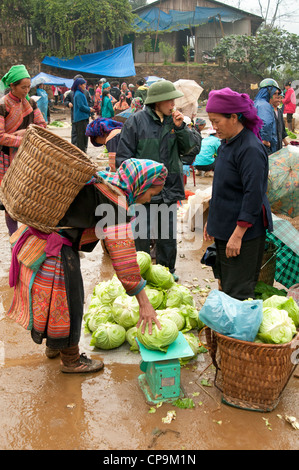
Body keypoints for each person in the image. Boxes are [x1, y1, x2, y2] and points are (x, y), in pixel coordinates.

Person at [8, 158, 168, 373]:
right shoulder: (115, 199)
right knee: (68, 304)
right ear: (141, 184)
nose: (148, 200)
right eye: (151, 194)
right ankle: (72, 361)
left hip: (40, 241)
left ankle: (55, 346)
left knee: (53, 303)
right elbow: (124, 259)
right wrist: (144, 302)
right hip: (54, 250)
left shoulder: (107, 181)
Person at [116, 80, 197, 281]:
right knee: (140, 236)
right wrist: (137, 185)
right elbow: (123, 159)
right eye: (169, 100)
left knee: (167, 236)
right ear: (157, 102)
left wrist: (181, 129)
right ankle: (140, 275)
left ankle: (167, 273)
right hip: (143, 193)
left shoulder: (176, 122)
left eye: (173, 100)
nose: (173, 104)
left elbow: (191, 150)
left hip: (168, 189)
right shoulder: (136, 122)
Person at [204, 87, 273, 300]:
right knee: (226, 283)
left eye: (217, 121)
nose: (214, 127)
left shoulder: (250, 149)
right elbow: (223, 186)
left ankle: (238, 333)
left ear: (234, 117)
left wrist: (238, 234)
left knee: (238, 291)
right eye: (211, 121)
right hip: (226, 227)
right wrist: (212, 220)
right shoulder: (227, 143)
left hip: (243, 234)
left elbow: (254, 195)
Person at [0, 64, 47, 236]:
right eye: (23, 87)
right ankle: (14, 239)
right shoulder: (3, 105)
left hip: (28, 158)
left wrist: (27, 131)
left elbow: (42, 126)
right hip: (6, 160)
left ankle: (30, 238)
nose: (26, 91)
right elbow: (0, 137)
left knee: (30, 199)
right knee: (11, 203)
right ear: (12, 86)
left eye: (28, 87)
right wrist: (21, 138)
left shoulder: (31, 103)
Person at [254, 78, 281, 154]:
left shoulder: (256, 103)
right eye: (274, 93)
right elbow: (266, 123)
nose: (276, 96)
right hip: (264, 146)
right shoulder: (265, 105)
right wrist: (265, 141)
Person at [64, 74, 93, 146]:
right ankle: (75, 147)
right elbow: (66, 101)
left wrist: (91, 113)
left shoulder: (86, 92)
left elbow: (89, 102)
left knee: (84, 134)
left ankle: (83, 148)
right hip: (75, 116)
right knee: (75, 133)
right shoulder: (72, 93)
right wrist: (68, 103)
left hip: (84, 116)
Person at [72, 78, 95, 152]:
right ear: (79, 85)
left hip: (82, 117)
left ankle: (83, 151)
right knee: (81, 137)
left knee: (83, 136)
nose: (85, 86)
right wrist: (89, 109)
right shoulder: (78, 94)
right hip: (80, 118)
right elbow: (81, 106)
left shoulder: (79, 93)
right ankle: (82, 153)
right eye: (84, 84)